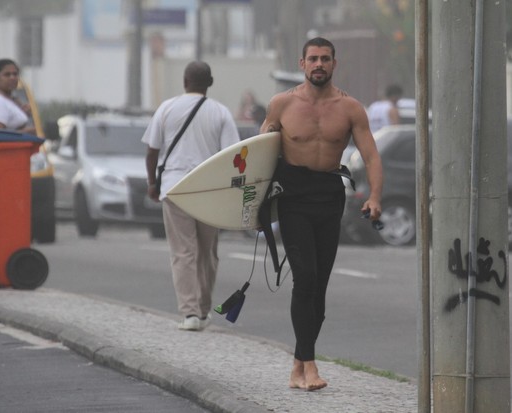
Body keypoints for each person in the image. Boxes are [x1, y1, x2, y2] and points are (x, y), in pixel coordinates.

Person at [260, 37, 383, 391]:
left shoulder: (350, 109)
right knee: (306, 278)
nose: (318, 64)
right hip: (293, 197)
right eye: (312, 58)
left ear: (334, 63)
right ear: (302, 64)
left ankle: (298, 367)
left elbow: (371, 156)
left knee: (320, 288)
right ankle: (310, 367)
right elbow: (258, 152)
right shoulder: (281, 104)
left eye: (324, 59)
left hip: (329, 197)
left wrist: (375, 196)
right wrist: (253, 203)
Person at [142, 61, 240, 331]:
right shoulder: (220, 113)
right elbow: (232, 156)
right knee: (207, 252)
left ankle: (189, 314)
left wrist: (152, 183)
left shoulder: (167, 108)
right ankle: (204, 309)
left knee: (183, 252)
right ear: (210, 83)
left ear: (185, 81)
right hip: (209, 190)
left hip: (175, 188)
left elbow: (152, 152)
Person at [0, 59, 35, 134]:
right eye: (7, 75)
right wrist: (28, 132)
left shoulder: (8, 98)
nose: (12, 78)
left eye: (15, 74)